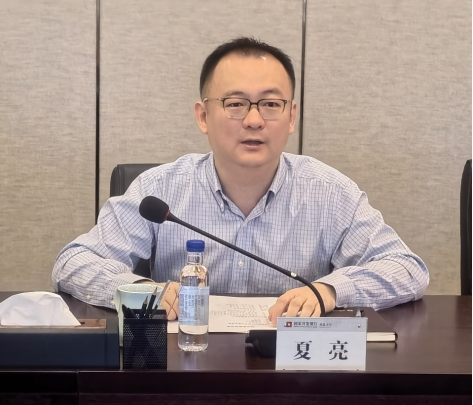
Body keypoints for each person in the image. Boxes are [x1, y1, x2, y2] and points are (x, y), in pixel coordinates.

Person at [52, 37, 429, 325]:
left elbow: (407, 269)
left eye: (271, 104)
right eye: (235, 104)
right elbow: (74, 262)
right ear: (203, 116)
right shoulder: (160, 190)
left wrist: (330, 290)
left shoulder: (329, 192)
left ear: (291, 117)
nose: (253, 120)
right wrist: (143, 291)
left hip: (293, 376)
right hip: (184, 369)